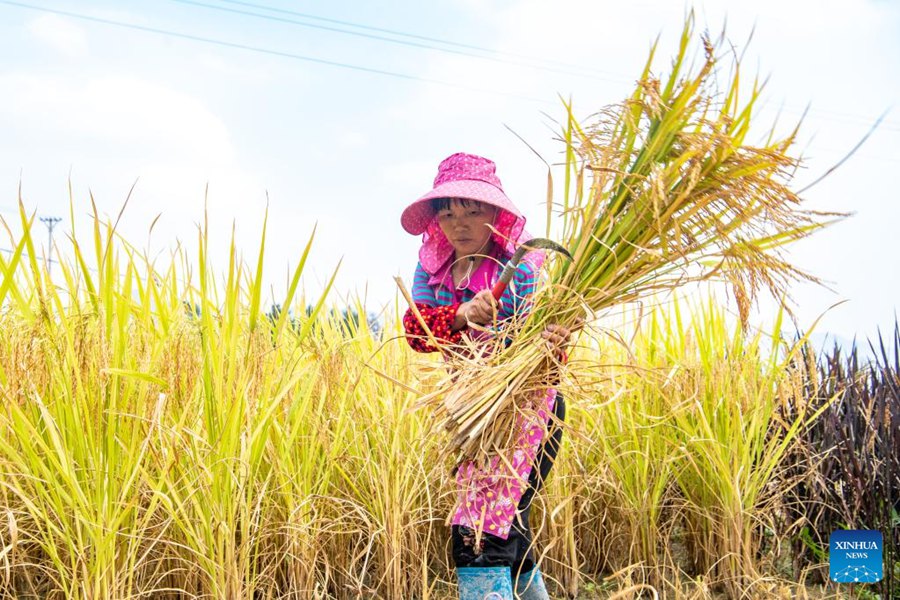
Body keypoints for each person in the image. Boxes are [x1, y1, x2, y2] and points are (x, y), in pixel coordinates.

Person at [400, 152, 572, 600]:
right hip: (471, 415)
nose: (460, 224)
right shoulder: (434, 270)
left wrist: (552, 343)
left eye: (473, 211)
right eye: (449, 212)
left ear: (496, 213)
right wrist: (461, 313)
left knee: (481, 535)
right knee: (505, 525)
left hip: (527, 411)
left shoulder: (522, 267)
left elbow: (543, 355)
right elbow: (417, 330)